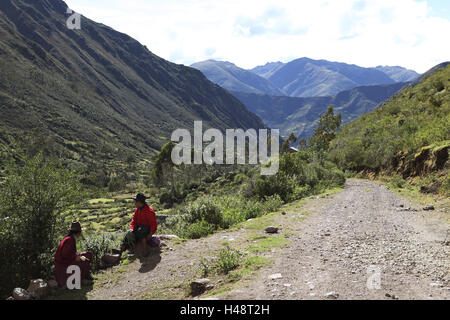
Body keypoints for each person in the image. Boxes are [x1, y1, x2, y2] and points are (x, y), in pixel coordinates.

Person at [54, 221, 93, 287]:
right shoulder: (70, 240)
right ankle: (82, 279)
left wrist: (76, 255)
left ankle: (84, 277)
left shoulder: (69, 238)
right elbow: (65, 254)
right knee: (85, 260)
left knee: (87, 254)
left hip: (63, 263)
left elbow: (69, 253)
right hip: (63, 265)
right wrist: (75, 257)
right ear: (78, 232)